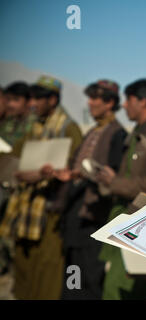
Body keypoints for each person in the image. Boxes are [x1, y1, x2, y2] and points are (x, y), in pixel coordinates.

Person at [0, 75, 82, 299]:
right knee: (24, 267)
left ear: (53, 100)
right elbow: (14, 160)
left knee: (46, 273)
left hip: (50, 211)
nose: (34, 102)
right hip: (25, 207)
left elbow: (74, 171)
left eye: (40, 98)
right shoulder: (34, 128)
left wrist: (53, 175)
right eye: (33, 97)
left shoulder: (69, 129)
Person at [59, 80, 127, 300]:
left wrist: (82, 174)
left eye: (97, 98)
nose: (91, 103)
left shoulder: (118, 134)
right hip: (76, 211)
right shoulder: (93, 132)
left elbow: (113, 176)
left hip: (95, 215)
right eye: (91, 97)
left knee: (90, 275)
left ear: (110, 103)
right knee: (73, 271)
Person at [97, 79, 146, 300]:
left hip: (139, 225)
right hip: (121, 218)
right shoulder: (135, 133)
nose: (124, 106)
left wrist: (114, 182)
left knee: (121, 289)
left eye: (129, 100)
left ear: (143, 101)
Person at [0, 82, 36, 147]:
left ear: (28, 101)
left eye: (16, 99)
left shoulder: (35, 124)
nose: (10, 104)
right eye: (8, 99)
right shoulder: (9, 120)